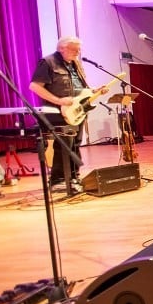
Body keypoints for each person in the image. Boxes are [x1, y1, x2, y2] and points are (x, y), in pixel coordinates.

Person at [28, 36, 109, 191]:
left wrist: (95, 91)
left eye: (79, 49)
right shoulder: (48, 62)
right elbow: (34, 86)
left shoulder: (75, 63)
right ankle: (58, 180)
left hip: (77, 109)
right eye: (74, 49)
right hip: (59, 111)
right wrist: (58, 100)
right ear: (62, 48)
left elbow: (81, 88)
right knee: (65, 145)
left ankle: (73, 177)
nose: (78, 52)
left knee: (76, 144)